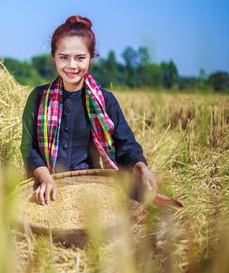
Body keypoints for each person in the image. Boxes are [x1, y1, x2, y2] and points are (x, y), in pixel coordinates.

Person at [20, 15, 158, 205]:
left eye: (80, 58)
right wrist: (45, 178)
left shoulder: (105, 100)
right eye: (63, 58)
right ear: (54, 57)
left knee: (139, 204)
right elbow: (29, 149)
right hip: (48, 185)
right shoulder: (38, 98)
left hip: (92, 185)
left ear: (91, 58)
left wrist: (140, 166)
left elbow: (126, 145)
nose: (71, 65)